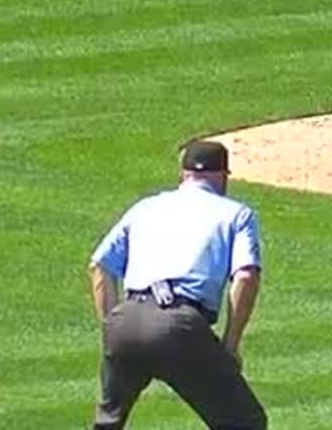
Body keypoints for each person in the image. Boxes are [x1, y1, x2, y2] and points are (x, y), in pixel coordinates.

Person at [87, 140, 264, 430]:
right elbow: (246, 276)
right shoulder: (236, 214)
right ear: (223, 177)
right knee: (245, 422)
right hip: (178, 325)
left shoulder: (145, 207)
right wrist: (230, 345)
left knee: (108, 424)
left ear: (183, 175)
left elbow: (99, 266)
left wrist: (112, 325)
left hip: (126, 320)